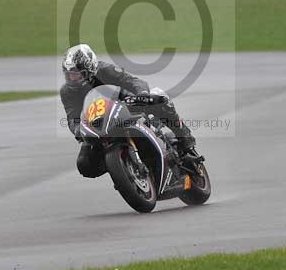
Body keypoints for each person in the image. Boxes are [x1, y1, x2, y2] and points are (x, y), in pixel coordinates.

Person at [59, 43, 197, 178]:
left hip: (125, 106)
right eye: (69, 75)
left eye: (77, 74)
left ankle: (185, 137)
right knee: (84, 164)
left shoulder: (105, 70)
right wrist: (78, 130)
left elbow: (133, 81)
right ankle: (121, 167)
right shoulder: (67, 92)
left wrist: (142, 93)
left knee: (159, 98)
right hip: (97, 125)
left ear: (90, 68)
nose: (72, 78)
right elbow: (73, 118)